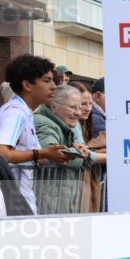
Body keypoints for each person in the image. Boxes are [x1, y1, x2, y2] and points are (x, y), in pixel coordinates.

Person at [0, 55, 71, 214]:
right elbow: (0, 152)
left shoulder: (22, 112)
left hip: (16, 198)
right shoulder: (15, 113)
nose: (54, 86)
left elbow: (22, 153)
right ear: (27, 85)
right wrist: (43, 153)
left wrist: (54, 155)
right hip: (12, 202)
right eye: (47, 81)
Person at [34, 85, 97, 214]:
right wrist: (79, 153)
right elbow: (53, 154)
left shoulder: (64, 123)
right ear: (53, 107)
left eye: (80, 107)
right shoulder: (44, 123)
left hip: (60, 198)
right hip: (47, 202)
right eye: (73, 107)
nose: (79, 113)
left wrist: (78, 151)